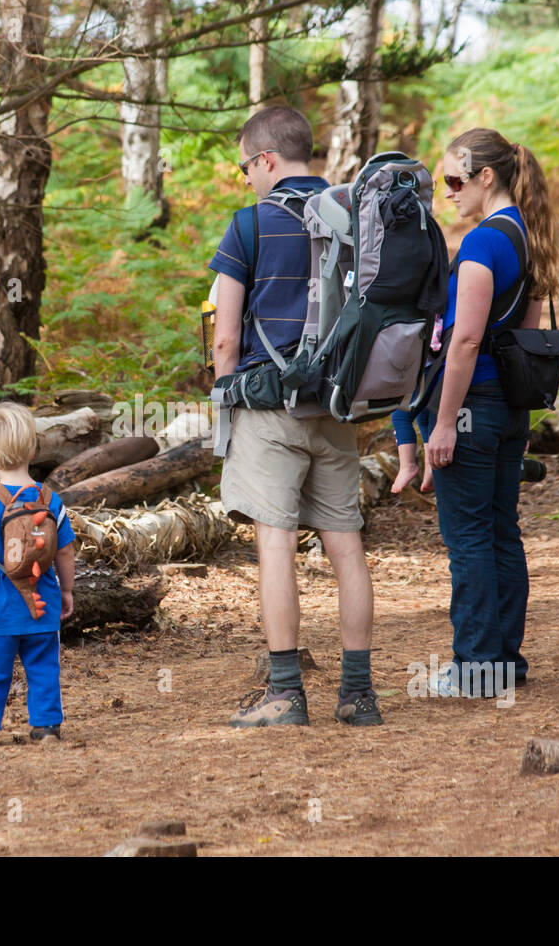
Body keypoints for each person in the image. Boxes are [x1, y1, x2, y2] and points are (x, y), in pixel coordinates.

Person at [208, 105, 379, 727]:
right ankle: (358, 695)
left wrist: (226, 394)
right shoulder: (357, 220)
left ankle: (285, 693)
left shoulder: (248, 228)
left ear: (267, 160)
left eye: (246, 166)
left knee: (275, 544)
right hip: (337, 409)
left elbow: (226, 339)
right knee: (347, 549)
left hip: (268, 412)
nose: (247, 178)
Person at [423, 127, 559, 697]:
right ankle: (505, 662)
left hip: (472, 407)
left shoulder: (481, 243)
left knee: (470, 539)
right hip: (510, 409)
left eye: (455, 180)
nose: (447, 192)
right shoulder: (527, 238)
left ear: (486, 177)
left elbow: (465, 342)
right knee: (503, 532)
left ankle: (477, 669)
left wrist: (441, 421)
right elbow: (525, 337)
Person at [0, 402, 76, 748]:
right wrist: (66, 591)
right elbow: (65, 551)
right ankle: (47, 727)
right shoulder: (50, 499)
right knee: (43, 669)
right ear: (32, 450)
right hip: (43, 604)